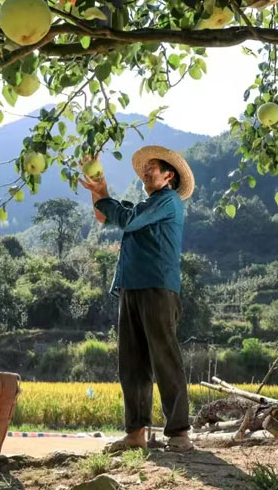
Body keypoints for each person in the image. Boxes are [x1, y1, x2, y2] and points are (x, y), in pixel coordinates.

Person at [79, 145, 196, 453]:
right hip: (130, 287)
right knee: (132, 363)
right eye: (145, 169)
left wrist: (104, 192)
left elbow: (126, 219)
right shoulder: (144, 206)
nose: (146, 171)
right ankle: (135, 434)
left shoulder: (168, 201)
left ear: (169, 175)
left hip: (158, 287)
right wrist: (99, 188)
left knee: (164, 358)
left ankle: (180, 433)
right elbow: (104, 215)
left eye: (152, 168)